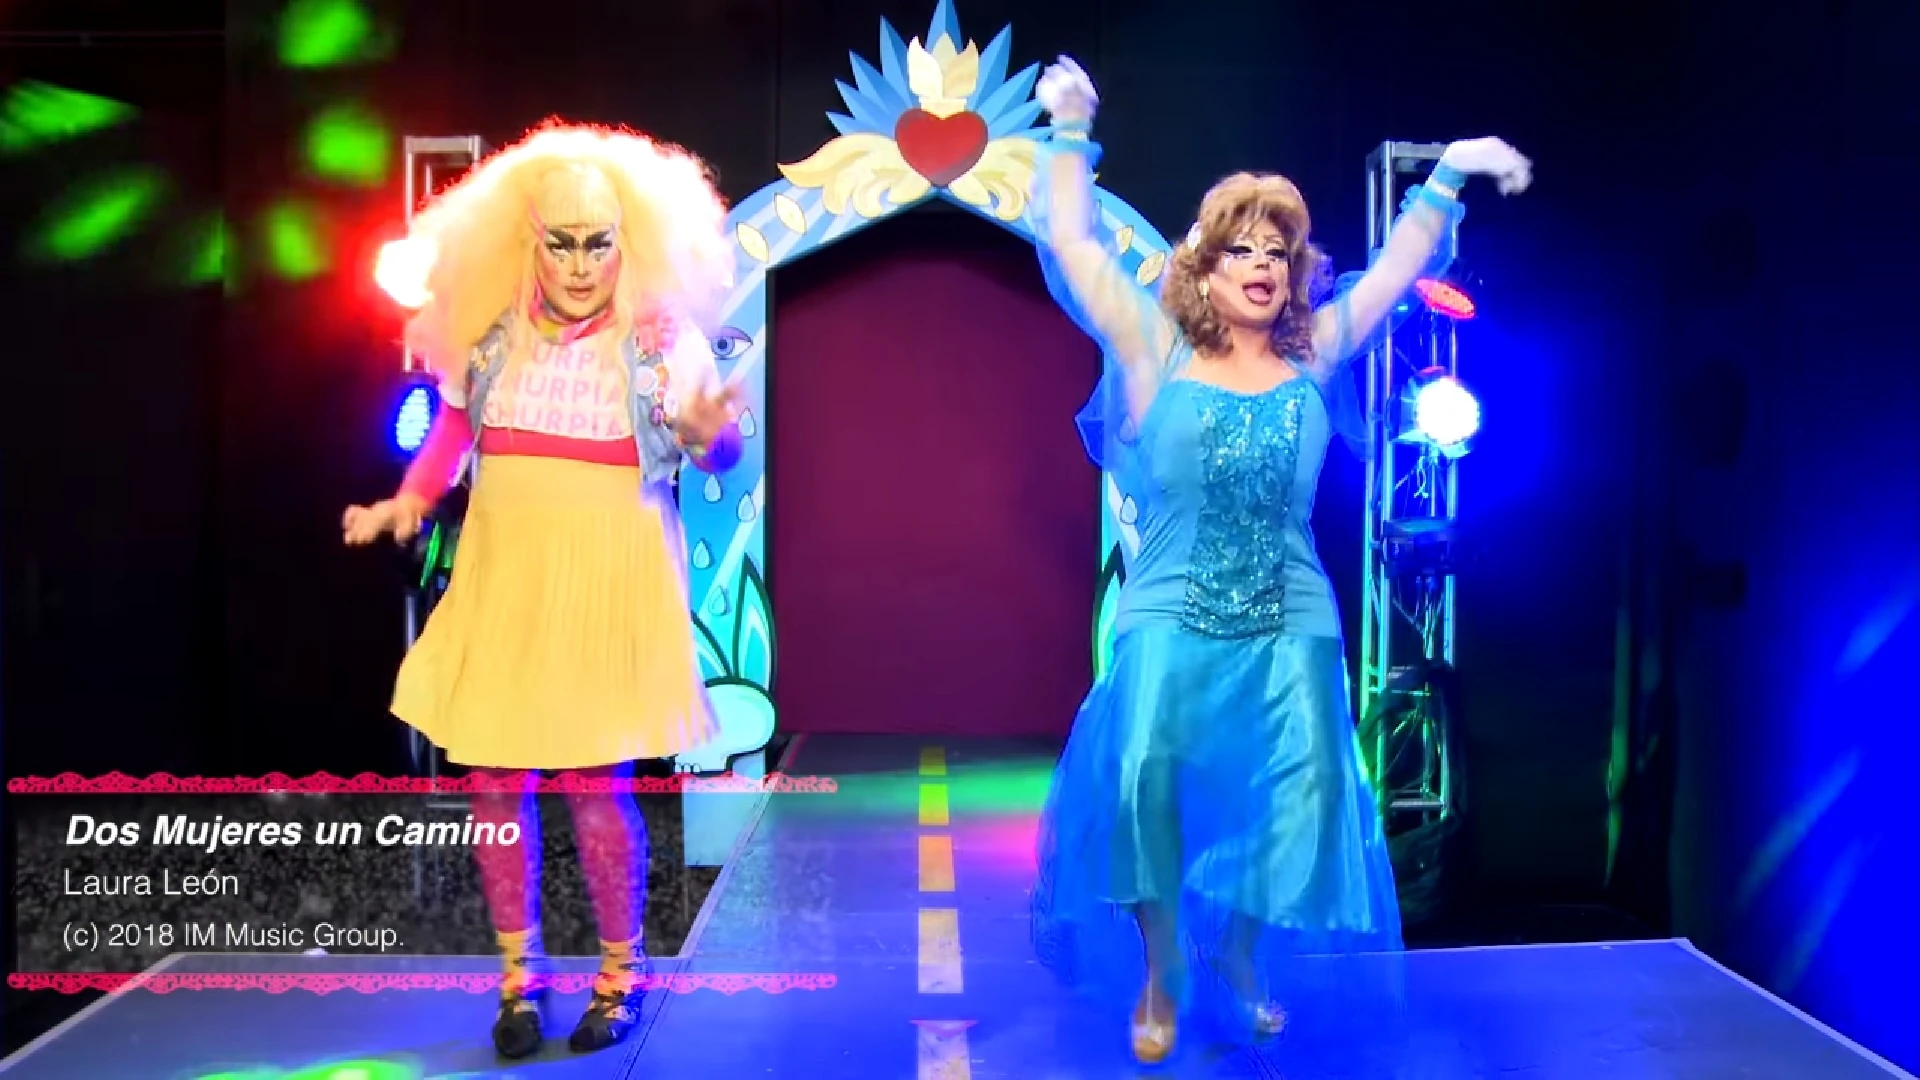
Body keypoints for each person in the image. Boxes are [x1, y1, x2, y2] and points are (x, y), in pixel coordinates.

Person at [1024, 57, 1531, 1064]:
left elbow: (1393, 272)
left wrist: (1450, 173)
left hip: (1292, 612)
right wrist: (1072, 127)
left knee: (1298, 793)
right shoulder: (1152, 349)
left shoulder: (1316, 352)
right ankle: (1163, 969)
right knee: (1145, 783)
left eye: (1278, 251)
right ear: (1203, 267)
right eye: (1241, 248)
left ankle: (1239, 953)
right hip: (1169, 608)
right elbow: (1073, 243)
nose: (1262, 264)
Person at [342, 122, 744, 1059]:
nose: (578, 263)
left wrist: (708, 432)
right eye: (560, 242)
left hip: (609, 586)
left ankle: (620, 977)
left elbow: (716, 447)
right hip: (507, 584)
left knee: (597, 789)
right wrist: (409, 500)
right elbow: (451, 432)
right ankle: (518, 982)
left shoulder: (661, 341)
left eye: (597, 242)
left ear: (625, 241)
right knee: (494, 785)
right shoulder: (489, 336)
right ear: (529, 238)